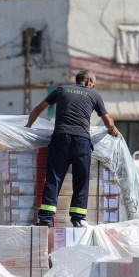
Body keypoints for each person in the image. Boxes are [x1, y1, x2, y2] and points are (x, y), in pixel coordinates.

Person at [25, 69, 119, 227]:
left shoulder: (61, 90)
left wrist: (27, 127)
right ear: (88, 81)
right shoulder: (94, 95)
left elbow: (37, 110)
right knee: (81, 180)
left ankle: (46, 219)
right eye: (93, 85)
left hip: (60, 139)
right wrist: (113, 130)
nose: (93, 87)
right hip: (81, 141)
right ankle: (78, 218)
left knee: (54, 179)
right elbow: (108, 122)